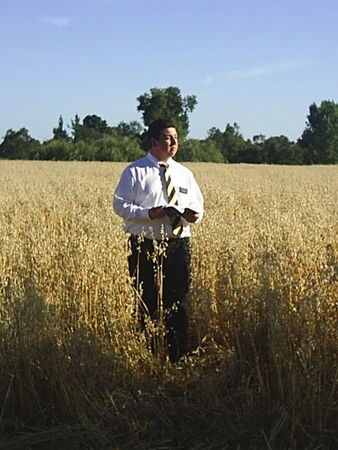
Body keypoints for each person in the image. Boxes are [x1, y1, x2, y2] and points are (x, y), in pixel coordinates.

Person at [113, 118, 204, 362]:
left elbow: (198, 205)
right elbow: (120, 206)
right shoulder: (135, 171)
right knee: (146, 300)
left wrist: (193, 214)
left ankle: (177, 356)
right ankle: (147, 354)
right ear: (153, 141)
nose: (174, 143)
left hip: (178, 245)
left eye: (176, 138)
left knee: (179, 301)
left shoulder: (184, 174)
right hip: (145, 243)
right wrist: (149, 214)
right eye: (167, 138)